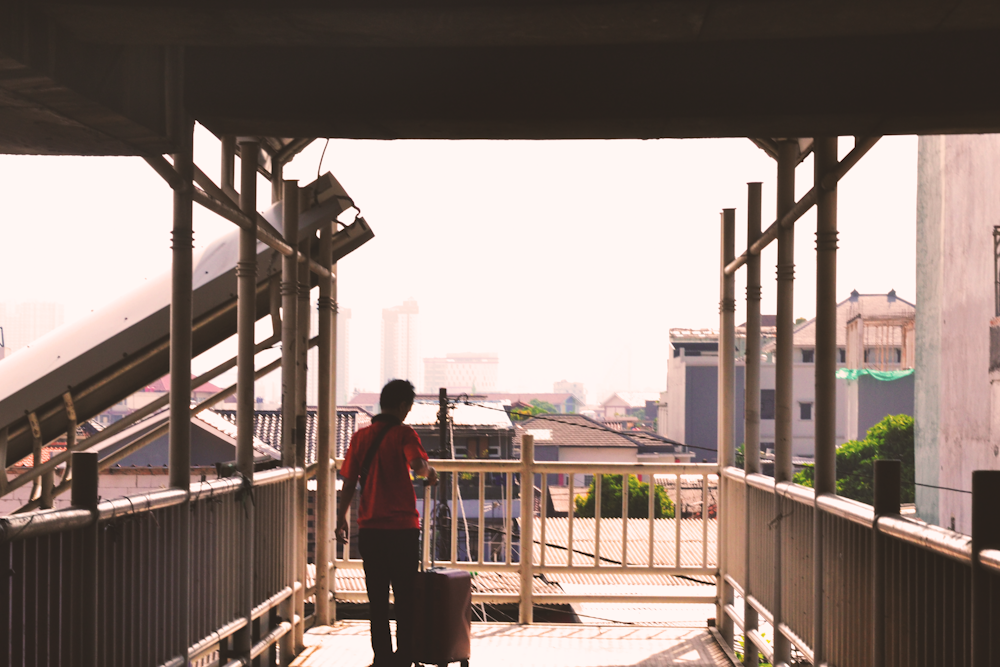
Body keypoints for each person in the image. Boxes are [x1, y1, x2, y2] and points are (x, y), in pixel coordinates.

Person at [336, 379, 438, 667]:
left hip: (370, 530)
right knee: (405, 598)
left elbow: (348, 482)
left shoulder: (361, 437)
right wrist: (429, 474)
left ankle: (381, 658)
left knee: (377, 599)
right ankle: (404, 657)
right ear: (403, 406)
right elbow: (418, 466)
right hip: (403, 531)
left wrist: (341, 517)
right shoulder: (405, 434)